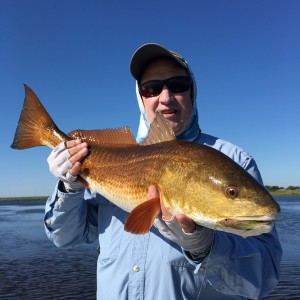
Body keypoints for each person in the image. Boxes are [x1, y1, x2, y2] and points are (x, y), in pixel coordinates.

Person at [44, 43, 282, 299]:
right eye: (151, 88)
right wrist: (69, 188)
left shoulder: (234, 158)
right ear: (141, 98)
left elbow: (265, 276)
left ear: (192, 93)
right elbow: (65, 238)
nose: (166, 97)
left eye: (178, 85)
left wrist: (206, 247)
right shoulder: (108, 156)